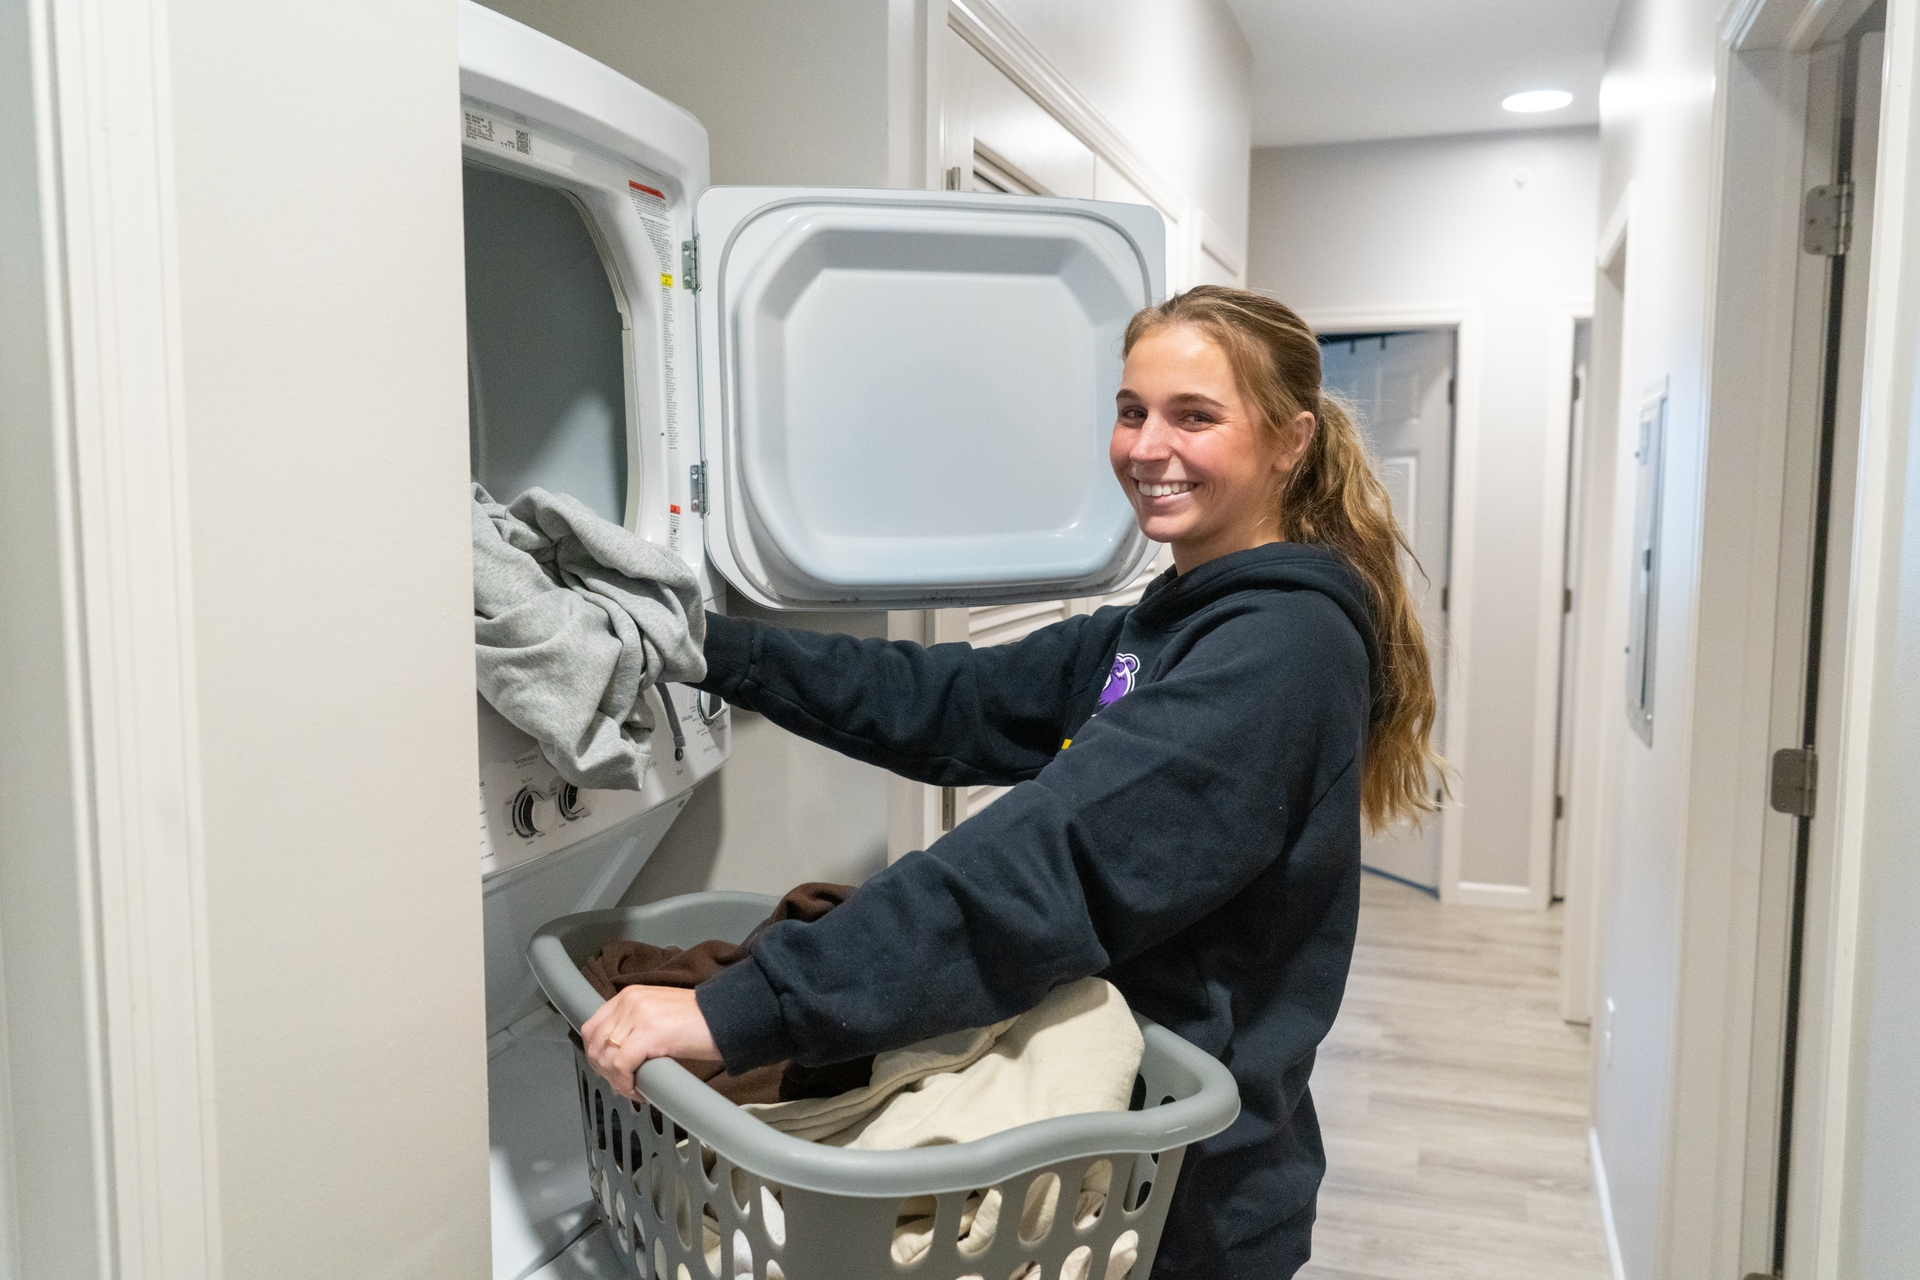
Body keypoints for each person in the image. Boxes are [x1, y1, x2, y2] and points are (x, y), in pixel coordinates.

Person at [582, 286, 1442, 1277]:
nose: (1147, 446)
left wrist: (736, 1011)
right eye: (1132, 410)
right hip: (1098, 1142)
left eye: (1194, 415)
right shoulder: (1165, 618)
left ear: (1290, 441)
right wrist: (700, 643)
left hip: (1181, 1192)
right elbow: (948, 698)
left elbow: (1050, 859)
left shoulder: (1278, 651)